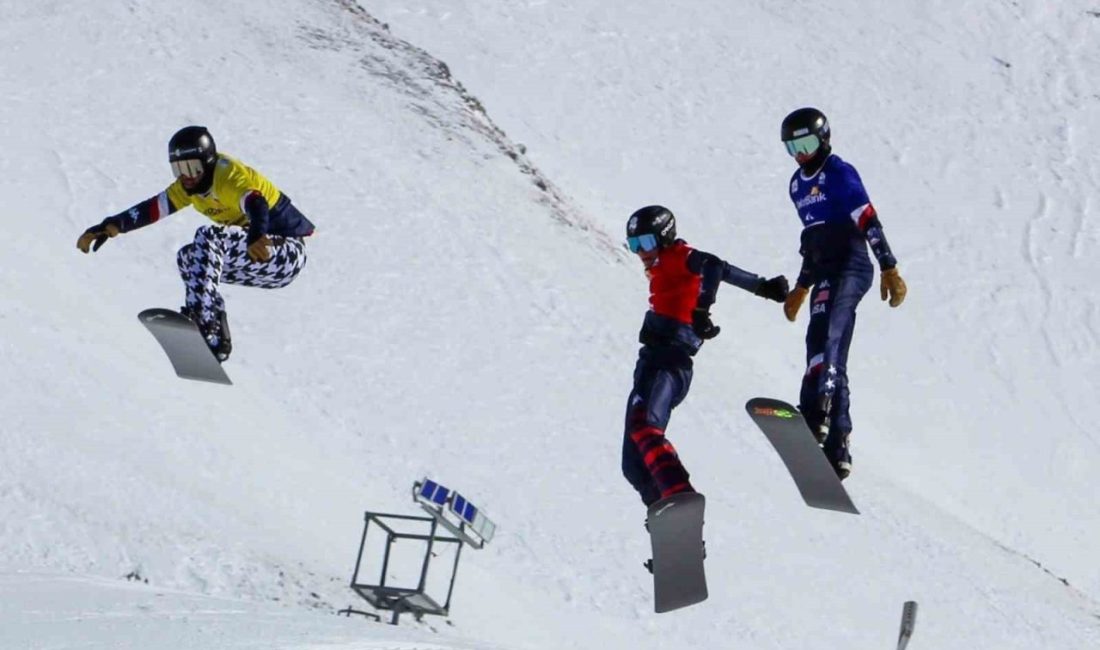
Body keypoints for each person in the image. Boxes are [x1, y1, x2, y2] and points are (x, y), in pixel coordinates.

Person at [76, 126, 315, 362]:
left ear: (208, 161)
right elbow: (153, 208)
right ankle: (217, 338)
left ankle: (201, 321)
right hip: (259, 261)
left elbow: (257, 203)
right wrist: (112, 225)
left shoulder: (227, 176)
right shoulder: (186, 188)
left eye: (192, 167)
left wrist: (255, 234)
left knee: (208, 237)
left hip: (285, 252)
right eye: (179, 169)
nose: (187, 176)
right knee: (189, 257)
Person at [622, 205, 789, 508]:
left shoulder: (677, 255)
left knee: (645, 428)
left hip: (669, 360)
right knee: (633, 464)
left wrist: (702, 308)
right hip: (651, 360)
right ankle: (671, 530)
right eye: (634, 246)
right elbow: (720, 270)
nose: (641, 252)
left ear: (664, 236)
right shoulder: (661, 267)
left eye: (645, 243)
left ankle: (679, 497)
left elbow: (713, 265)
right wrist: (762, 287)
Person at [778, 107, 907, 480]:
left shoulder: (839, 172)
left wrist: (889, 266)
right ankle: (838, 445)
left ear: (824, 138)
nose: (800, 153)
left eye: (805, 143)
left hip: (850, 266)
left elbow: (867, 218)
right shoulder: (796, 186)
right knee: (824, 347)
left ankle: (816, 412)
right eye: (792, 147)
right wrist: (801, 287)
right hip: (825, 270)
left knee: (826, 337)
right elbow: (813, 241)